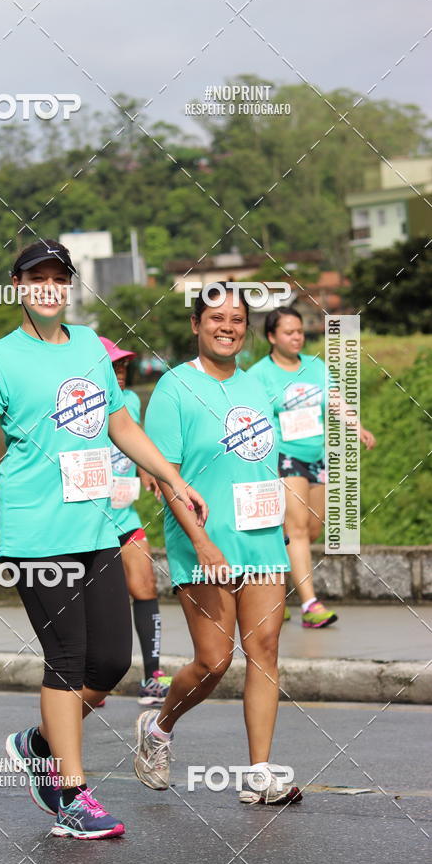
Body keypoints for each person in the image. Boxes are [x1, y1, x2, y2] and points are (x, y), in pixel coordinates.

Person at [0, 239, 207, 840]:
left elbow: (118, 422)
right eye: (37, 278)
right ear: (18, 286)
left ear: (69, 286)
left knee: (108, 663)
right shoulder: (0, 359)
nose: (49, 287)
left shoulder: (87, 345)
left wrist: (173, 477)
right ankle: (73, 797)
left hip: (95, 528)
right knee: (67, 658)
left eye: (59, 278)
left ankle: (40, 742)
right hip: (35, 533)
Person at [134, 283, 302, 805]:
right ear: (195, 325)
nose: (227, 326)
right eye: (216, 318)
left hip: (262, 539)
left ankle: (259, 774)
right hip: (203, 543)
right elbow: (167, 478)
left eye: (236, 319)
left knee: (265, 650)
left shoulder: (256, 386)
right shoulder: (175, 388)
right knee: (213, 662)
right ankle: (158, 728)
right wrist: (203, 543)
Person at [247, 308, 376, 627]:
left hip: (315, 456)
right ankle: (310, 605)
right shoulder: (259, 374)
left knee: (312, 528)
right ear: (271, 337)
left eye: (300, 331)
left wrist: (356, 425)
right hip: (283, 456)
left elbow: (334, 399)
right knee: (298, 528)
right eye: (288, 332)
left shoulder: (315, 367)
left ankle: (276, 590)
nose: (296, 337)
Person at [99, 336, 172, 706]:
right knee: (94, 604)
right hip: (88, 524)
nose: (121, 374)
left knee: (145, 585)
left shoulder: (130, 401)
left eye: (124, 367)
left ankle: (152, 676)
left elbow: (132, 441)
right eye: (113, 368)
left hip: (125, 515)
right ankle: (89, 680)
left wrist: (148, 471)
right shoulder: (81, 409)